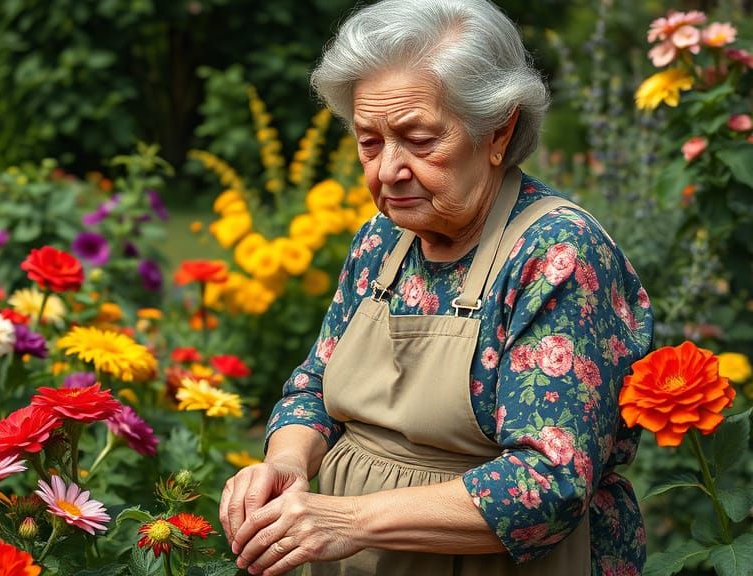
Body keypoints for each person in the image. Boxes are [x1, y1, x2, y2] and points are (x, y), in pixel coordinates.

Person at [219, 1, 653, 575]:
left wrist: (346, 521)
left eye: (419, 139)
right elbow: (314, 386)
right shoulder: (383, 239)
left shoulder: (557, 254)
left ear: (499, 130)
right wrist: (288, 463)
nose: (388, 170)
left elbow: (549, 484)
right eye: (369, 142)